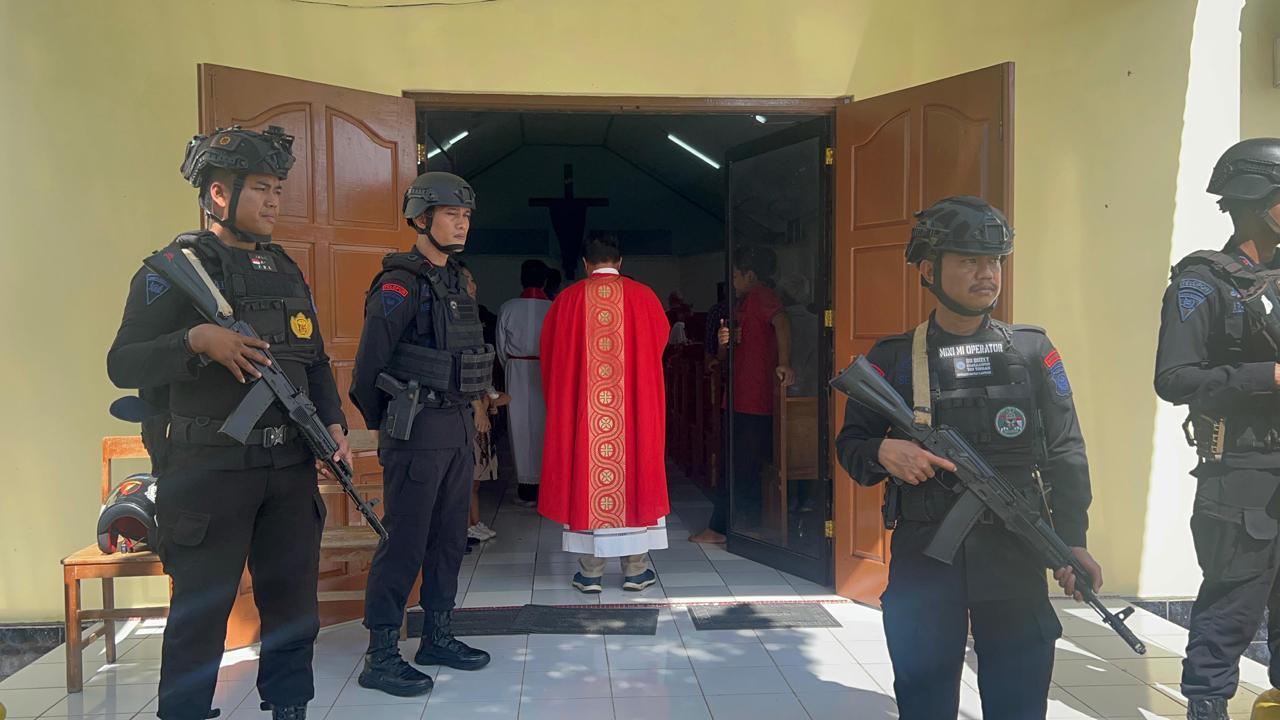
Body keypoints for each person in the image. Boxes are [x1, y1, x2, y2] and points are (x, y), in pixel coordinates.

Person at [107, 126, 350, 720]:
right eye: (261, 188)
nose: (274, 201)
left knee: (293, 604)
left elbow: (313, 360)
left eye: (278, 189)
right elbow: (123, 362)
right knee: (201, 612)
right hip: (209, 470)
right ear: (218, 193)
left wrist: (334, 425)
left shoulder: (285, 269)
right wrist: (196, 340)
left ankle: (289, 705)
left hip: (288, 467)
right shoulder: (171, 271)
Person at [835, 196, 1099, 720]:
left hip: (1015, 552)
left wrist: (1072, 540)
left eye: (994, 260)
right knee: (926, 701)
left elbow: (1066, 450)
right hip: (926, 554)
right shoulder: (893, 358)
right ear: (929, 270)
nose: (987, 273)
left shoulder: (1031, 351)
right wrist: (884, 450)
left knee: (1018, 701)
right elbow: (851, 444)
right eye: (969, 260)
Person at [349, 171, 493, 697]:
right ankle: (381, 653)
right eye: (452, 214)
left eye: (466, 215)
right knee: (405, 541)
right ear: (421, 218)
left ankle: (437, 635)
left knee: (450, 538)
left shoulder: (454, 281)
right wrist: (394, 425)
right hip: (415, 428)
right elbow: (366, 372)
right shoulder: (399, 284)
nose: (462, 223)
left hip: (455, 426)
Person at [1154, 138, 1280, 720]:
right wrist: (1266, 377)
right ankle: (1207, 705)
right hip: (1240, 472)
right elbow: (1174, 378)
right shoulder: (1201, 283)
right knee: (1234, 599)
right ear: (1255, 200)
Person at [538, 233, 671, 592]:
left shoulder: (567, 300)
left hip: (586, 414)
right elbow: (658, 344)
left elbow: (550, 358)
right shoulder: (644, 296)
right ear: (620, 261)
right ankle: (635, 570)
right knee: (636, 474)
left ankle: (591, 572)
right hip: (634, 410)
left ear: (585, 263)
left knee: (587, 473)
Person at [689, 246, 794, 544]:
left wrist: (784, 362)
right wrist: (724, 344)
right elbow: (728, 354)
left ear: (750, 275)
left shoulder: (762, 296)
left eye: (736, 275)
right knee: (737, 464)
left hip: (754, 399)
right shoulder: (744, 303)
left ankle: (724, 527)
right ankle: (736, 525)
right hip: (740, 396)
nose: (733, 281)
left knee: (739, 466)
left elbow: (782, 322)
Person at [496, 259, 552, 507]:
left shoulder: (508, 307)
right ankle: (546, 486)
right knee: (544, 424)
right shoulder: (553, 307)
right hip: (546, 370)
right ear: (545, 281)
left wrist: (509, 365)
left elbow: (500, 345)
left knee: (518, 425)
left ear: (521, 279)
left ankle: (526, 488)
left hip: (516, 368)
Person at [459, 262, 507, 543]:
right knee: (467, 473)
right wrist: (479, 409)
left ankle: (472, 522)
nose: (473, 285)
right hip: (464, 407)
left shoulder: (474, 315)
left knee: (475, 474)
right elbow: (465, 368)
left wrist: (489, 397)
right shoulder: (455, 317)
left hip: (480, 395)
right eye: (467, 279)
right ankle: (462, 526)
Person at [778, 274, 819, 397]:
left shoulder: (776, 324)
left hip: (783, 388)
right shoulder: (817, 323)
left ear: (781, 296)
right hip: (813, 389)